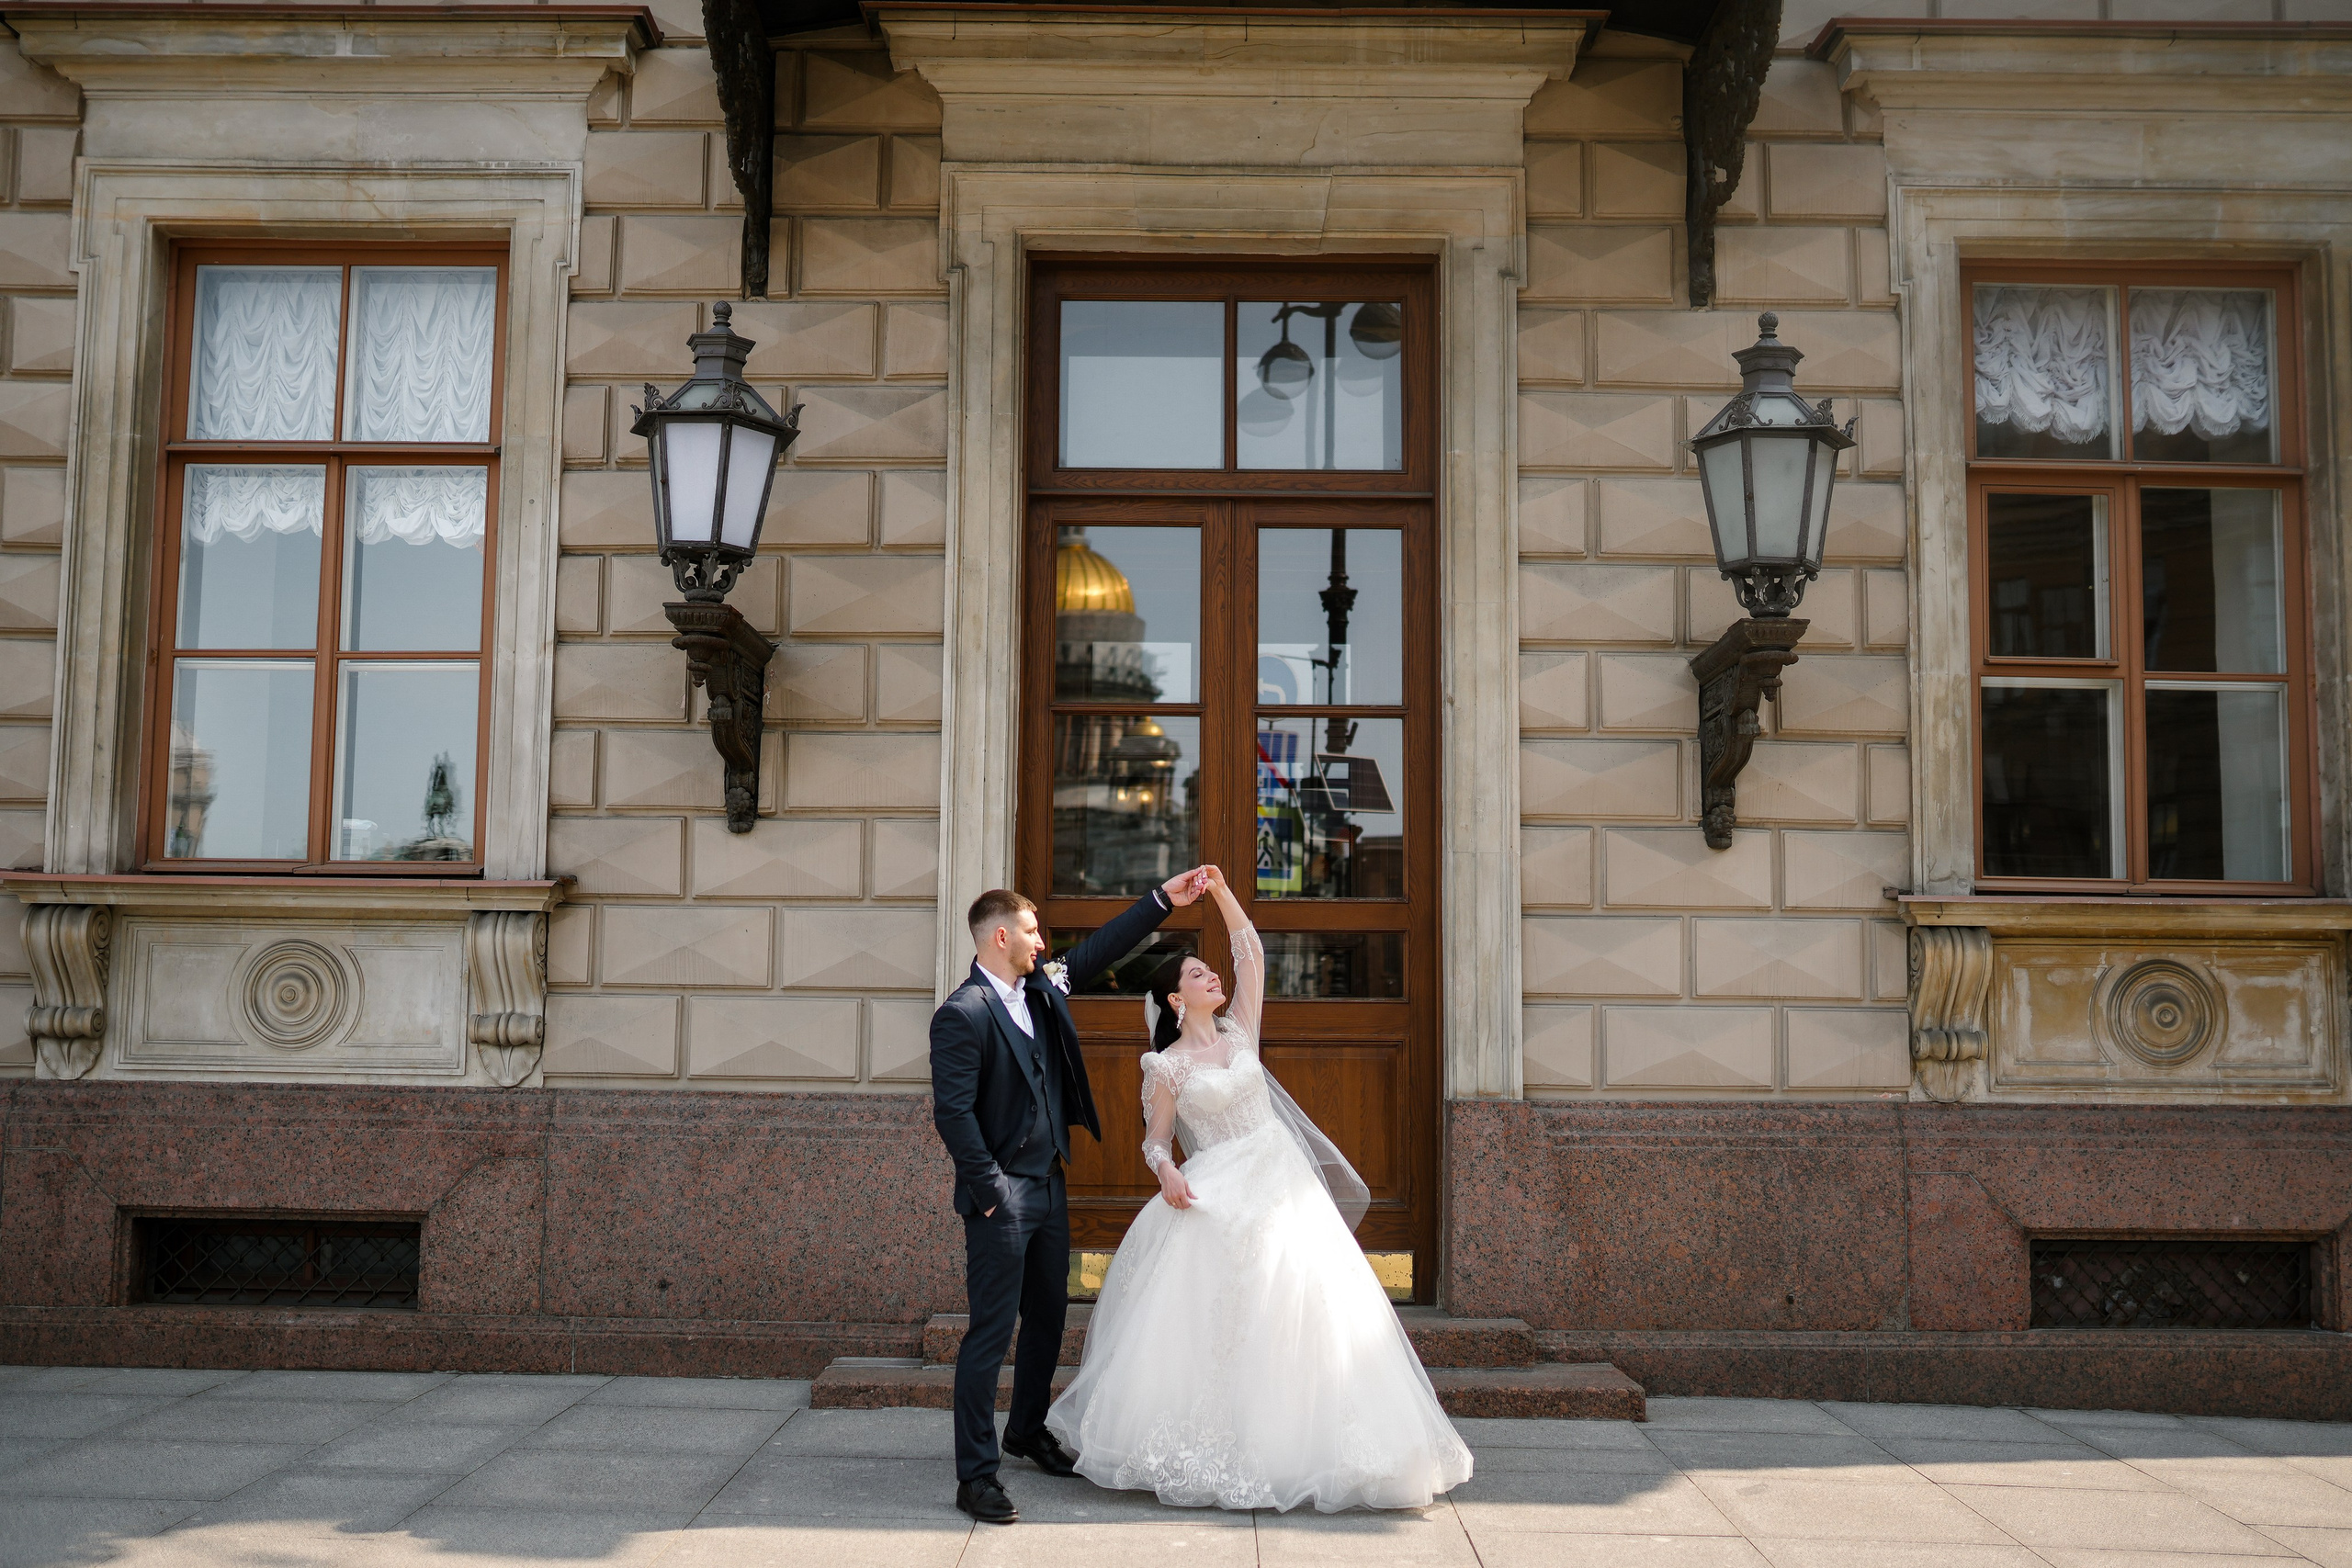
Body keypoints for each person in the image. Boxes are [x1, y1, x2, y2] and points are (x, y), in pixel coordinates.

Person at [1046, 865, 1474, 1512]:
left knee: (1313, 1308)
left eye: (1208, 971)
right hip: (1218, 1193)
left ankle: (1323, 1440)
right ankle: (1236, 1443)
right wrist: (1167, 1171)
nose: (1211, 976)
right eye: (1195, 974)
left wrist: (1217, 891)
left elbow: (1251, 953)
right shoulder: (1165, 1066)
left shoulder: (1242, 1030)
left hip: (1283, 1186)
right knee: (1228, 1325)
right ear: (1172, 1000)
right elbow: (1155, 1140)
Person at [928, 869, 1210, 1526]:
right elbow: (954, 1114)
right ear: (1001, 936)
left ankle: (1026, 1428)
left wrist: (1164, 899)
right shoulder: (962, 1013)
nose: (1041, 940)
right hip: (1002, 1194)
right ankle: (976, 1476)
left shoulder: (1042, 986)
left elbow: (1099, 950)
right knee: (990, 1334)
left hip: (1049, 1182)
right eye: (1030, 930)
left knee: (1049, 1315)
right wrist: (992, 1191)